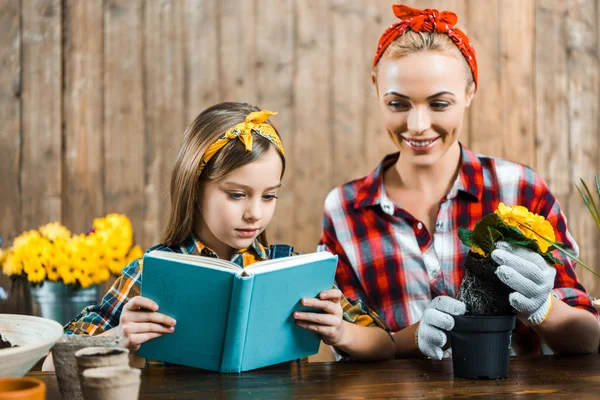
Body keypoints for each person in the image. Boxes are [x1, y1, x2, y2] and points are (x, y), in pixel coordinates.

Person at [318, 4, 600, 360]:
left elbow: (589, 340)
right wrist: (414, 336)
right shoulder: (344, 210)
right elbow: (347, 342)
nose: (417, 125)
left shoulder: (521, 189)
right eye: (398, 104)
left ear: (469, 93)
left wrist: (543, 308)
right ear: (376, 89)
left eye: (439, 104)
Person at [43, 102, 394, 371]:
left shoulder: (289, 269)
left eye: (269, 195)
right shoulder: (150, 273)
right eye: (237, 194)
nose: (255, 213)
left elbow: (385, 344)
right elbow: (50, 364)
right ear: (195, 190)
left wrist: (342, 333)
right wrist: (118, 337)